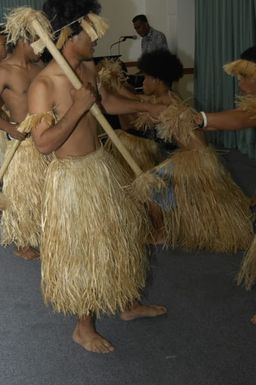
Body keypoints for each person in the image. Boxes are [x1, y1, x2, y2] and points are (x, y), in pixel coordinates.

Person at [28, 0, 167, 354]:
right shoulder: (43, 84)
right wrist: (76, 108)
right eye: (91, 29)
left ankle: (127, 303)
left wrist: (147, 106)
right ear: (71, 33)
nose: (96, 35)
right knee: (85, 251)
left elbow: (106, 105)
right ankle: (83, 327)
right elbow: (43, 143)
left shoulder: (87, 69)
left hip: (99, 168)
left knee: (120, 237)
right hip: (73, 180)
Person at [129, 49, 253, 252]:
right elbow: (139, 103)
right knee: (157, 183)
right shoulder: (165, 98)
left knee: (148, 184)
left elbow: (137, 104)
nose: (143, 83)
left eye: (146, 78)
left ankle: (160, 233)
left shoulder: (168, 100)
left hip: (195, 158)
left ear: (157, 79)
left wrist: (113, 95)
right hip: (196, 156)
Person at [0, 7, 51, 260]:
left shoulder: (40, 66)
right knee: (22, 196)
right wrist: (9, 127)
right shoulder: (4, 71)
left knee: (46, 193)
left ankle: (43, 234)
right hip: (22, 146)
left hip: (47, 140)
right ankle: (23, 243)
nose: (42, 48)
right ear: (24, 40)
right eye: (38, 41)